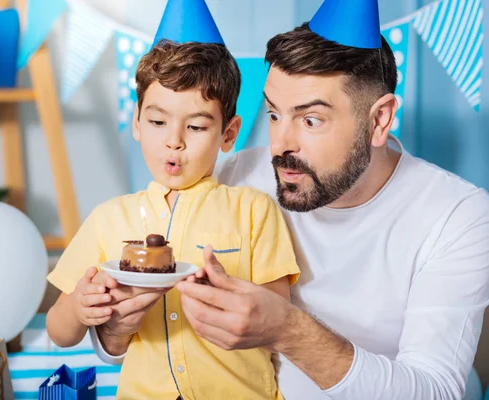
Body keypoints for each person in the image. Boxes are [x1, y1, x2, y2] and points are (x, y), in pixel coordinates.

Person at [88, 0, 489, 399]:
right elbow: (148, 332)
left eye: (311, 120)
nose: (280, 146)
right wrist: (112, 330)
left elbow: (437, 391)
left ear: (379, 119)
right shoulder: (233, 178)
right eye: (274, 115)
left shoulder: (457, 216)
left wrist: (288, 329)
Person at [44, 1, 300, 399]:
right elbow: (58, 332)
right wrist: (80, 309)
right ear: (136, 121)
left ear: (228, 134)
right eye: (158, 121)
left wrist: (226, 293)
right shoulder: (108, 219)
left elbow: (277, 327)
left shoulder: (253, 210)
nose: (174, 140)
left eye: (196, 126)